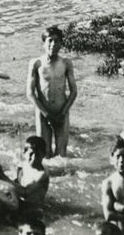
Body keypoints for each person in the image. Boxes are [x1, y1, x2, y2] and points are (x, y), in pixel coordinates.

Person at [26, 25, 77, 158]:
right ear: (44, 43)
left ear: (61, 44)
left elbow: (73, 92)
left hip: (62, 112)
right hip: (43, 113)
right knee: (44, 154)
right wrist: (46, 114)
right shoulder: (36, 63)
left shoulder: (66, 63)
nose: (53, 44)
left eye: (57, 41)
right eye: (50, 40)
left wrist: (63, 113)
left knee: (61, 155)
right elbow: (30, 93)